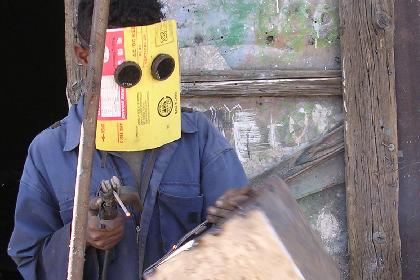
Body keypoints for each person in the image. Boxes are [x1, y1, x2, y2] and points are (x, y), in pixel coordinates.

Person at [7, 0, 251, 279]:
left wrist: (242, 215)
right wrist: (78, 236)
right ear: (83, 55)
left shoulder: (197, 137)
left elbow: (240, 243)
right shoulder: (49, 152)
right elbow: (28, 260)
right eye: (127, 70)